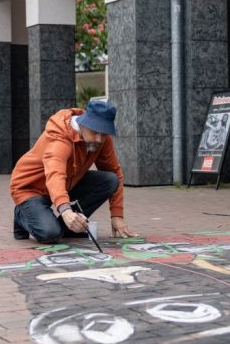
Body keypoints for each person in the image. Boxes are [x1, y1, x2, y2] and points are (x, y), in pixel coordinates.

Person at [10, 100, 136, 243]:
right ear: (84, 123)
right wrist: (66, 210)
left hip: (67, 182)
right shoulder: (60, 137)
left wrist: (117, 215)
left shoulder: (101, 139)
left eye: (104, 134)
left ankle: (69, 227)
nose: (99, 139)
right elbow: (55, 174)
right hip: (31, 188)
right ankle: (21, 215)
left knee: (110, 180)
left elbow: (114, 171)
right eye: (95, 132)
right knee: (50, 234)